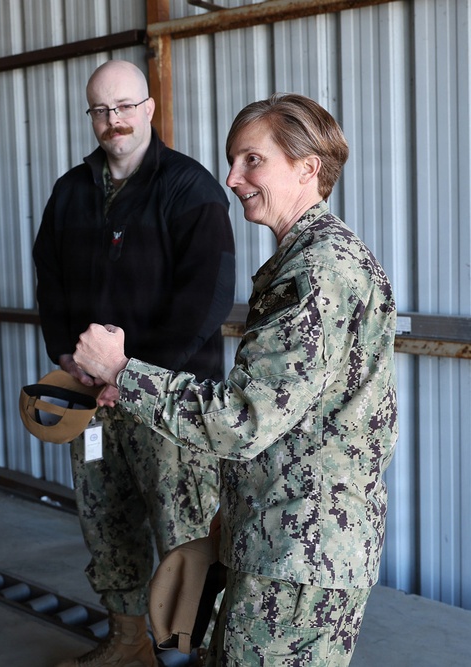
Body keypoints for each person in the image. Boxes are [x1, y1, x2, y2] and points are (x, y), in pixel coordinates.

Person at [73, 93, 397, 666]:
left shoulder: (317, 272)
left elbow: (243, 421)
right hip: (286, 535)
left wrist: (124, 372)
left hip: (298, 552)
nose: (232, 177)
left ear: (307, 167)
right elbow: (293, 420)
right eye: (232, 160)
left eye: (252, 160)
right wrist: (233, 515)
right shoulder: (316, 259)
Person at [33, 60, 236, 667]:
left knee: (187, 535)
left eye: (124, 106)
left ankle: (196, 654)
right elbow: (50, 282)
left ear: (149, 109)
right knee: (105, 522)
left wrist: (133, 376)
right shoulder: (70, 192)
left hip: (169, 405)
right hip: (91, 405)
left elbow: (206, 300)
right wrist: (66, 357)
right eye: (101, 109)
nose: (113, 120)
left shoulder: (189, 188)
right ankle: (127, 642)